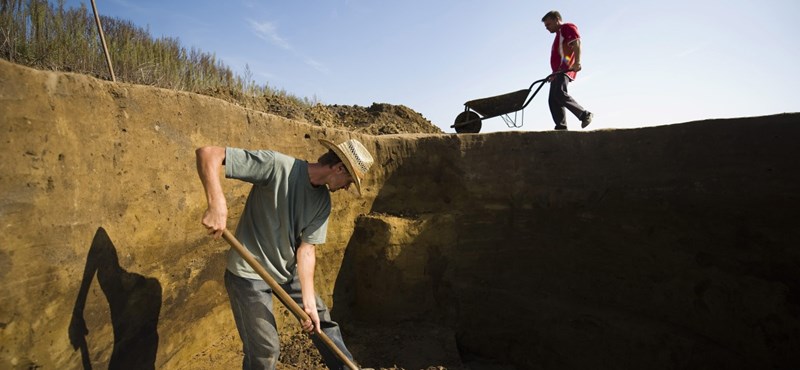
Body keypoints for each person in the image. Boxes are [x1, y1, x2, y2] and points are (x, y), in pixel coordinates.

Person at [195, 138, 375, 370]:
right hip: (248, 274)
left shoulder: (323, 203)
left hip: (287, 271)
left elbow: (307, 250)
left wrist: (308, 302)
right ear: (339, 168)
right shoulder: (277, 166)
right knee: (265, 349)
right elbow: (209, 153)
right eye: (349, 180)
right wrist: (217, 203)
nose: (347, 187)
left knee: (322, 324)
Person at [542, 10, 593, 130]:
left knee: (559, 93)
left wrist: (577, 62)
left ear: (556, 19)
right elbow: (560, 55)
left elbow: (576, 42)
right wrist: (553, 74)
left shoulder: (567, 27)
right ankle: (561, 127)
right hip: (557, 72)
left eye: (548, 24)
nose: (547, 28)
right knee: (552, 99)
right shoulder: (558, 35)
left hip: (565, 69)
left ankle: (584, 114)